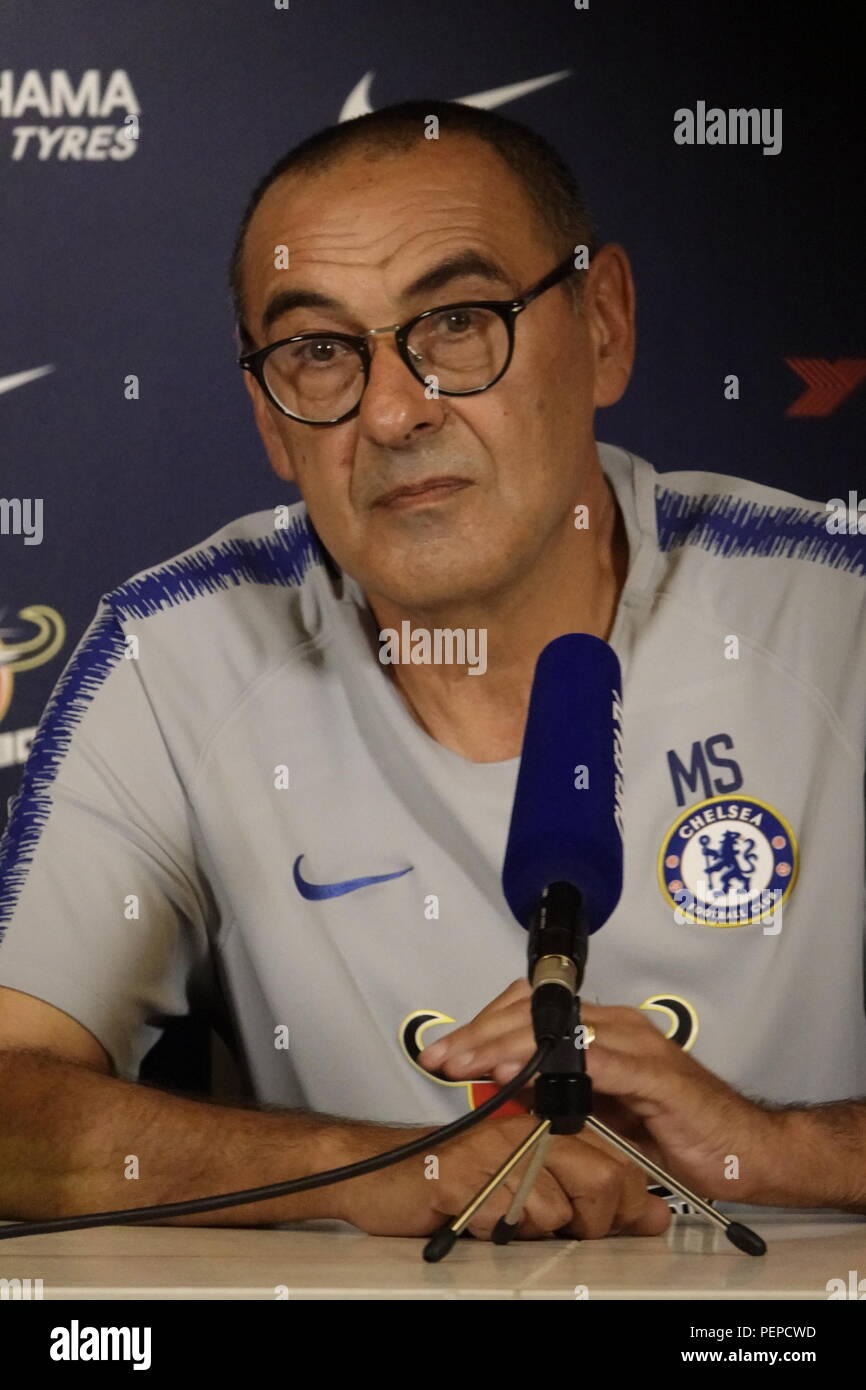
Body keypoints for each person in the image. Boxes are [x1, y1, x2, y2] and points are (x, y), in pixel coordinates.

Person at [0, 101, 864, 1244]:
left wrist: (771, 1141)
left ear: (602, 324)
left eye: (456, 322)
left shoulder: (835, 614)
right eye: (318, 352)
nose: (395, 410)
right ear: (268, 417)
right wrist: (374, 1166)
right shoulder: (179, 655)